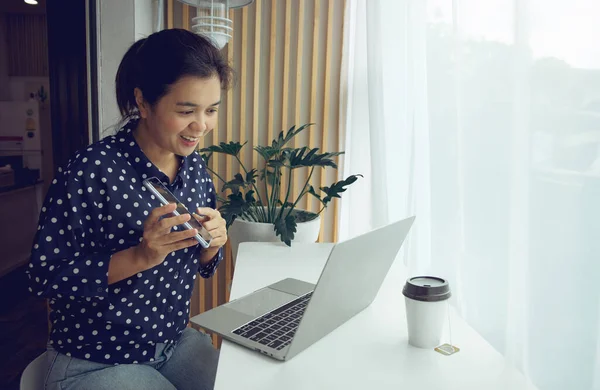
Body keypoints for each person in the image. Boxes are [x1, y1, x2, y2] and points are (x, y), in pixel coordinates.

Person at [26, 28, 233, 390]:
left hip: (172, 343)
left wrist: (213, 242)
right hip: (93, 359)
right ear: (143, 102)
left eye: (211, 110)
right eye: (186, 110)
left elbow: (203, 262)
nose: (201, 126)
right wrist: (139, 256)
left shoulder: (194, 165)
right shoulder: (90, 171)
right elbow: (45, 276)